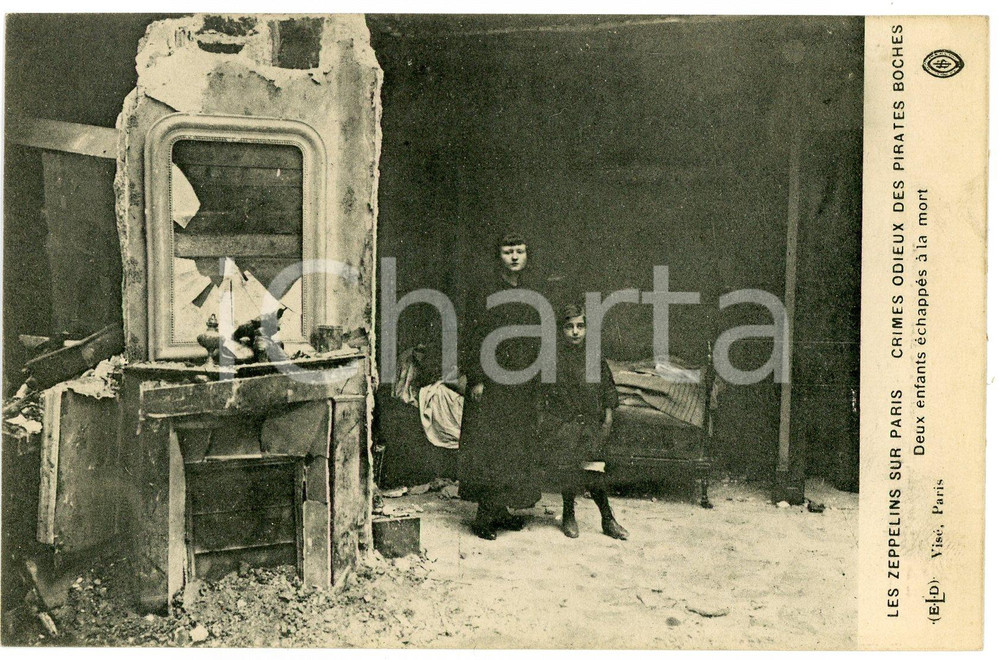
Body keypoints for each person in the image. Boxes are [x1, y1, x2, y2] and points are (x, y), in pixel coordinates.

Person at [458, 232, 543, 540]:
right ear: (499, 256)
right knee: (489, 446)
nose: (515, 257)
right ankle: (483, 516)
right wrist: (477, 378)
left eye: (520, 251)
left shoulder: (533, 291)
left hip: (521, 380)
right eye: (508, 252)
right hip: (492, 381)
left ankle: (501, 510)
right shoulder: (484, 289)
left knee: (514, 444)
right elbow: (473, 336)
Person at [539, 303, 628, 540]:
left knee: (594, 470)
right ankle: (568, 514)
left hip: (590, 423)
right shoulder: (552, 358)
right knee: (569, 469)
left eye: (580, 326)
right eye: (569, 327)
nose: (575, 332)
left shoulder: (594, 357)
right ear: (561, 330)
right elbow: (543, 395)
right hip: (564, 423)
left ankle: (608, 519)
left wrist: (607, 417)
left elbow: (608, 389)